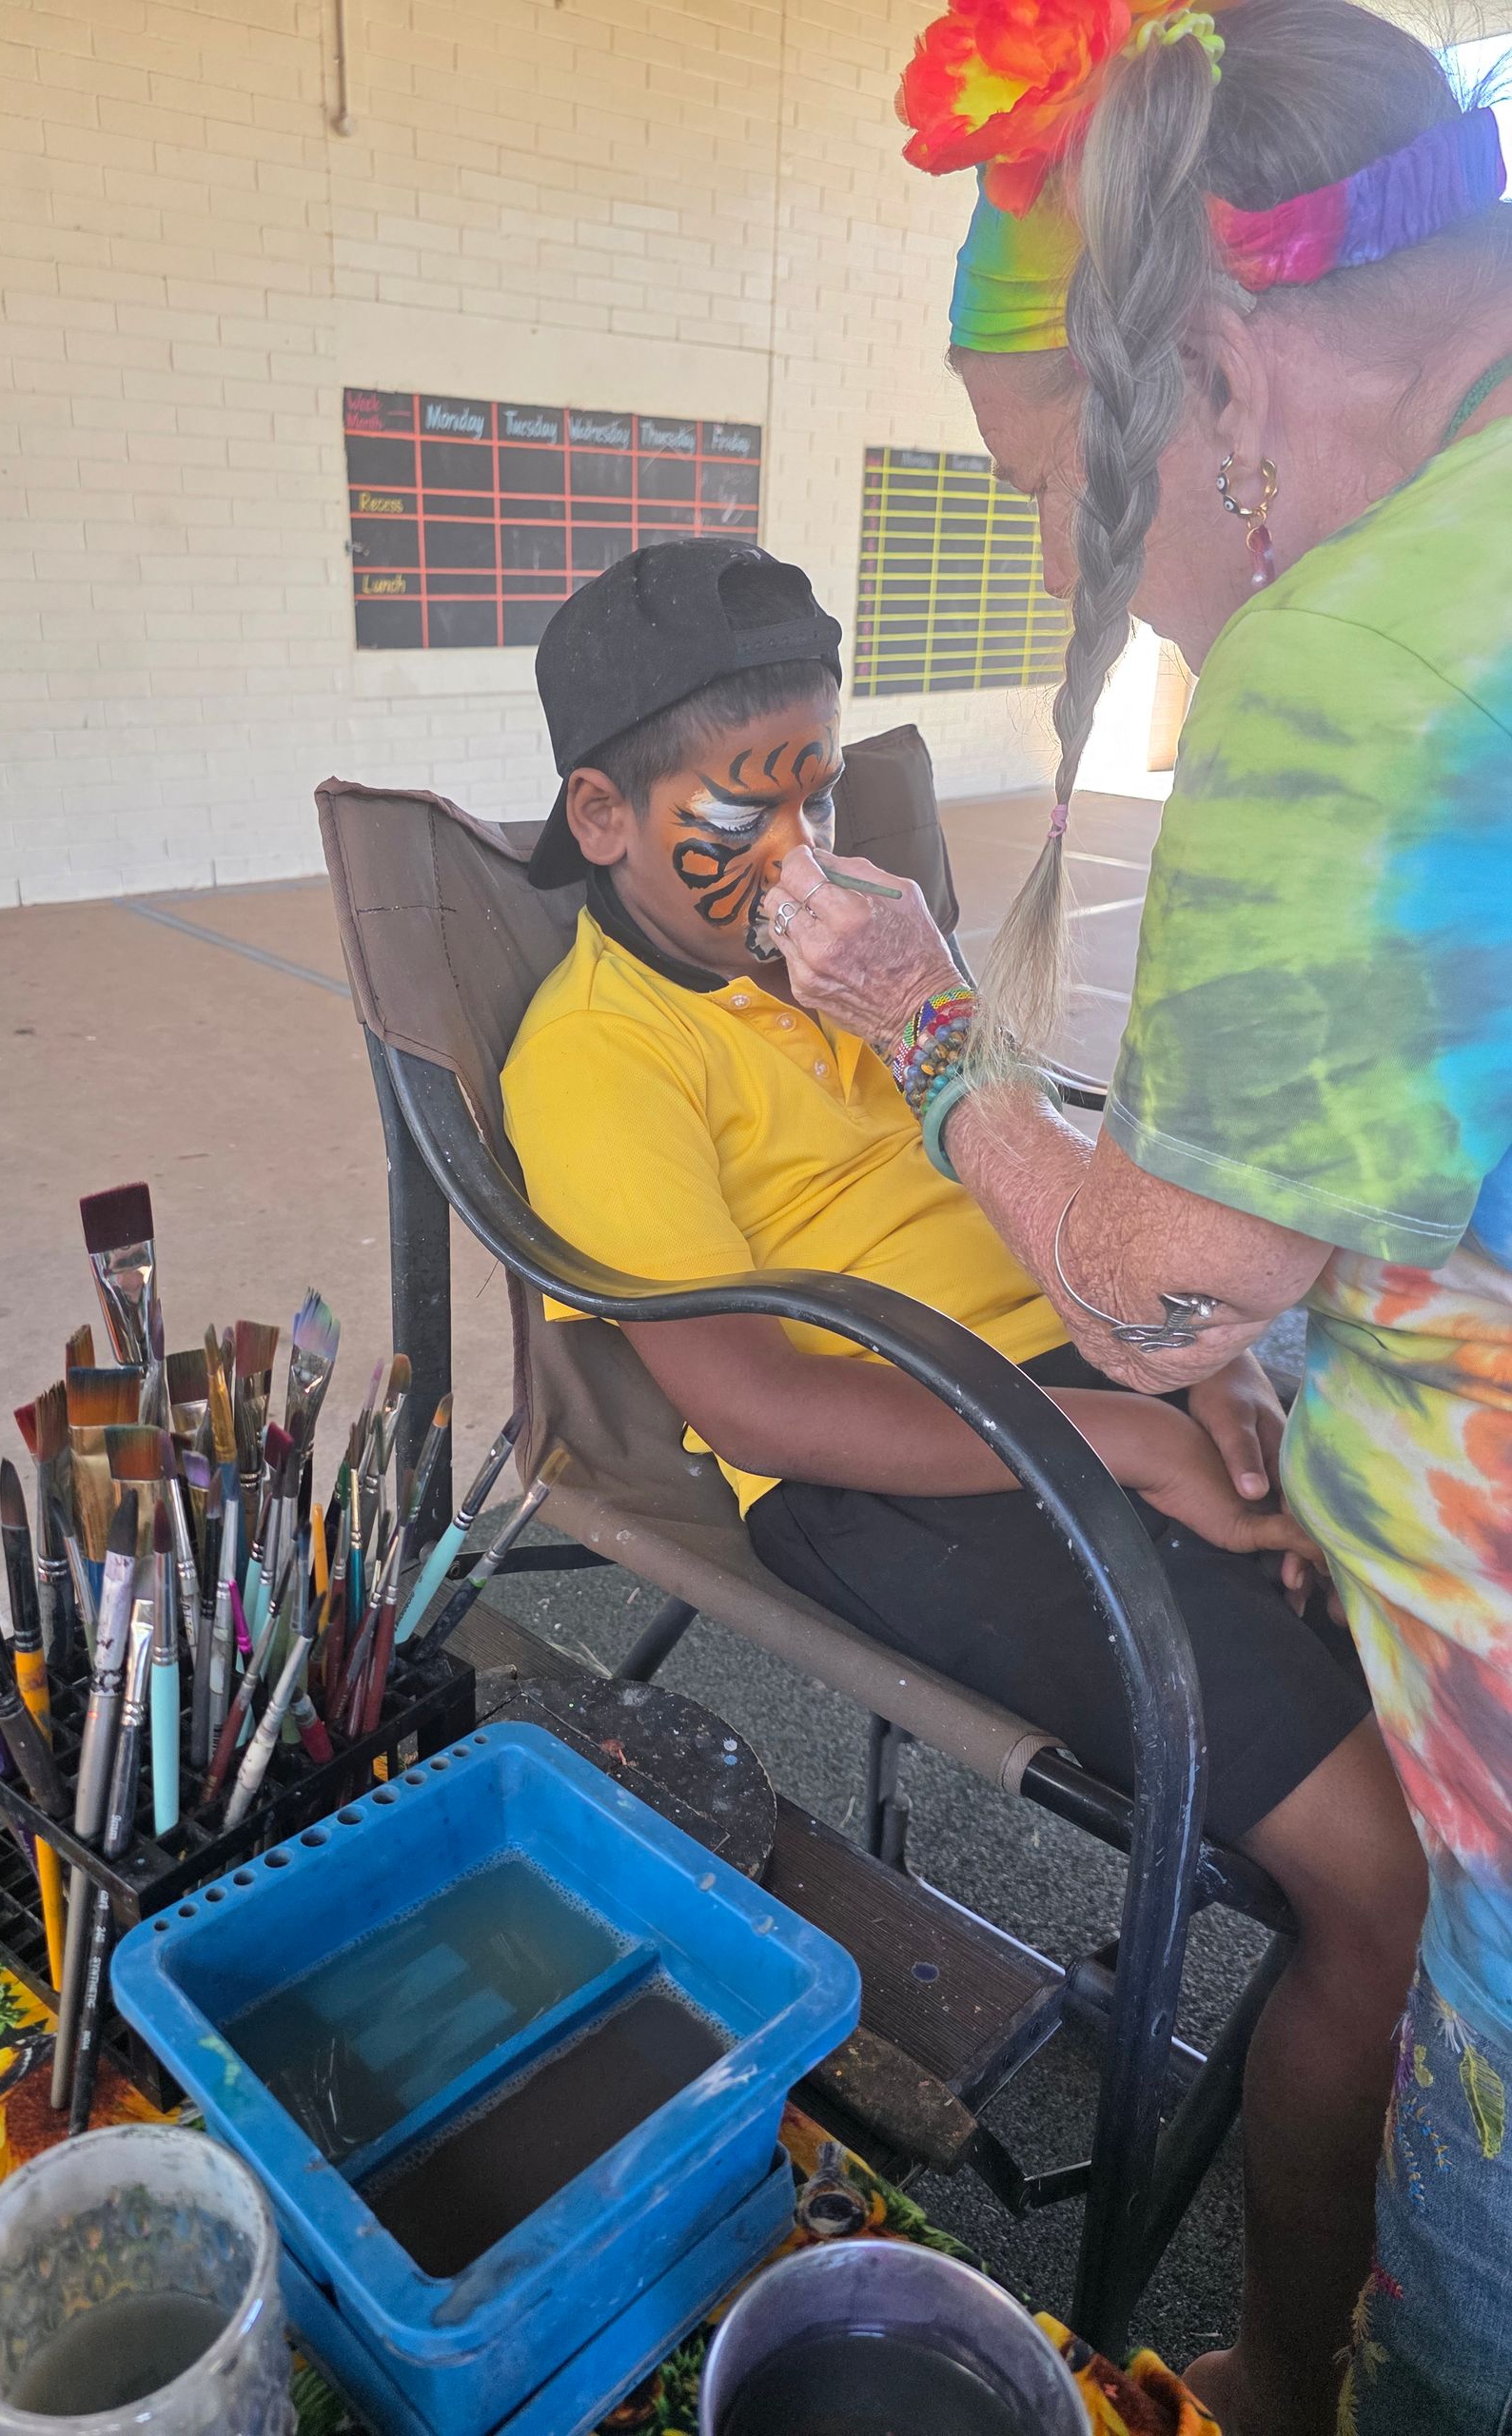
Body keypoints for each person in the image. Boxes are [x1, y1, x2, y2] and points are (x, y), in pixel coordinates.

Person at [756, 3, 1512, 2428]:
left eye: (1054, 472)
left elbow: (1159, 1279)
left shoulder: (1363, 674)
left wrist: (935, 1035)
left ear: (1216, 367)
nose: (1083, 556)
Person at [503, 537, 1425, 2434]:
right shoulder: (595, 1057)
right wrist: (1127, 1429)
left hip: (1077, 1379)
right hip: (904, 1462)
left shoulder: (844, 960)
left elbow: (1027, 1162)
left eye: (819, 791)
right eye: (739, 810)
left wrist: (1196, 1357)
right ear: (599, 812)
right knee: (1384, 1871)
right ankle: (1288, 2368)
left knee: (1437, 1669)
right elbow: (757, 1393)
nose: (804, 855)